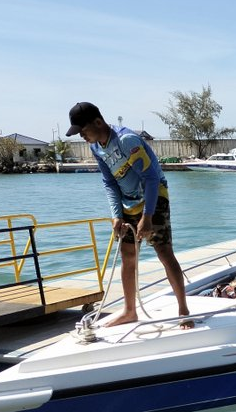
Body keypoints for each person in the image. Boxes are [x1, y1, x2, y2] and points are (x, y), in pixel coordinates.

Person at [65, 102, 192, 328]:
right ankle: (129, 311)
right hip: (127, 203)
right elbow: (110, 183)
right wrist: (116, 215)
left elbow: (151, 179)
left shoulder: (126, 140)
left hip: (154, 197)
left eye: (83, 130)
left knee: (164, 251)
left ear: (98, 122)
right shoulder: (96, 147)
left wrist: (148, 216)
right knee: (127, 255)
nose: (82, 136)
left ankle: (183, 310)